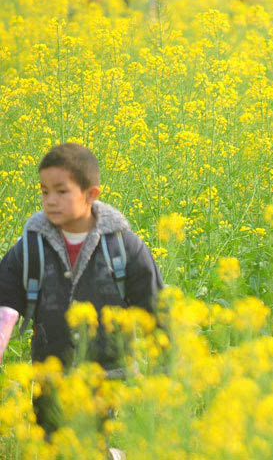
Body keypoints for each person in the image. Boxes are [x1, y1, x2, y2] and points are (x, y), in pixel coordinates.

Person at [0, 143, 163, 444]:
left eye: (62, 191)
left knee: (93, 444)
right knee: (53, 445)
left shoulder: (123, 247)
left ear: (91, 195)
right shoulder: (30, 246)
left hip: (106, 377)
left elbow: (156, 308)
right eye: (44, 191)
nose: (50, 200)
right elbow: (6, 299)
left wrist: (167, 370)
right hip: (50, 373)